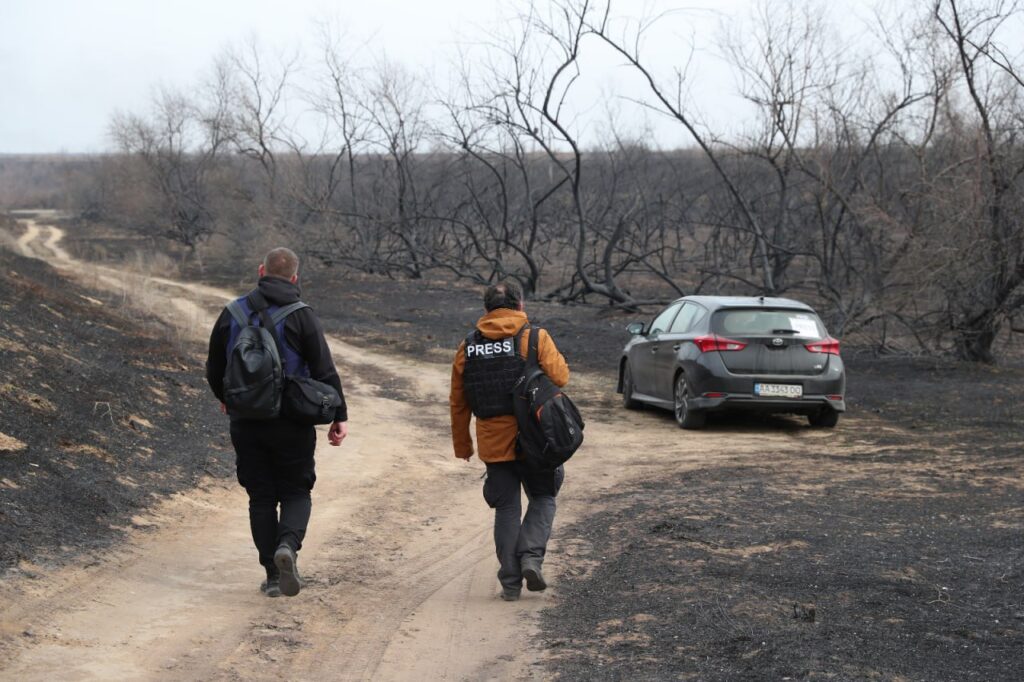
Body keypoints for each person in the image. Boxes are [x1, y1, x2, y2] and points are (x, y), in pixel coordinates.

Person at [206, 247, 348, 598]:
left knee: (261, 498)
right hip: (292, 421)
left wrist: (228, 400)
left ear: (260, 270)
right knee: (297, 490)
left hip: (246, 421)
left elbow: (213, 368)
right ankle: (288, 546)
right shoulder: (303, 316)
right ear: (295, 278)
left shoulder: (232, 312)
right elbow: (324, 370)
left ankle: (272, 575)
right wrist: (338, 416)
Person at [449, 281, 570, 601]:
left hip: (493, 443)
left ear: (486, 310)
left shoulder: (468, 346)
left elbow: (458, 402)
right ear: (520, 305)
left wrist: (463, 445)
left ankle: (511, 582)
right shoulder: (535, 337)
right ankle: (531, 557)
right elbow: (561, 377)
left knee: (506, 510)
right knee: (543, 497)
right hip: (535, 439)